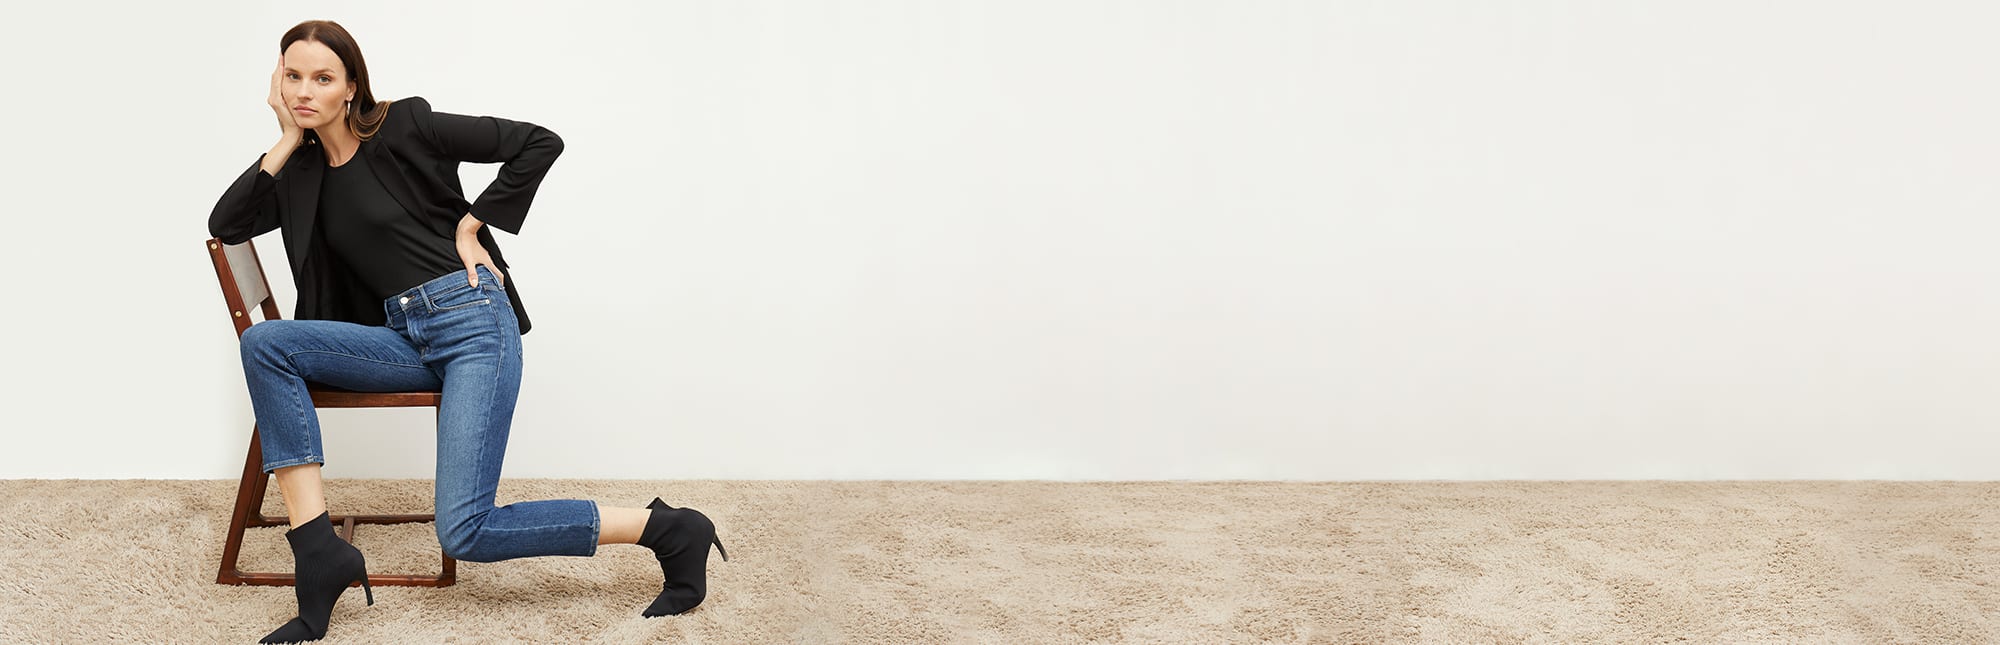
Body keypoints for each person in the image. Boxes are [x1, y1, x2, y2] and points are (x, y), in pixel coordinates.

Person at [209, 20, 726, 644]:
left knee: (466, 532)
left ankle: (669, 529)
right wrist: (289, 137)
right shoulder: (302, 171)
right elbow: (226, 222)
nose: (305, 90)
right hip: (403, 335)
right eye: (292, 77)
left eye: (322, 78)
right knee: (265, 343)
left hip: (473, 322)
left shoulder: (404, 124)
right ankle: (317, 550)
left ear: (351, 86)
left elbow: (540, 141)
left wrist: (472, 224)